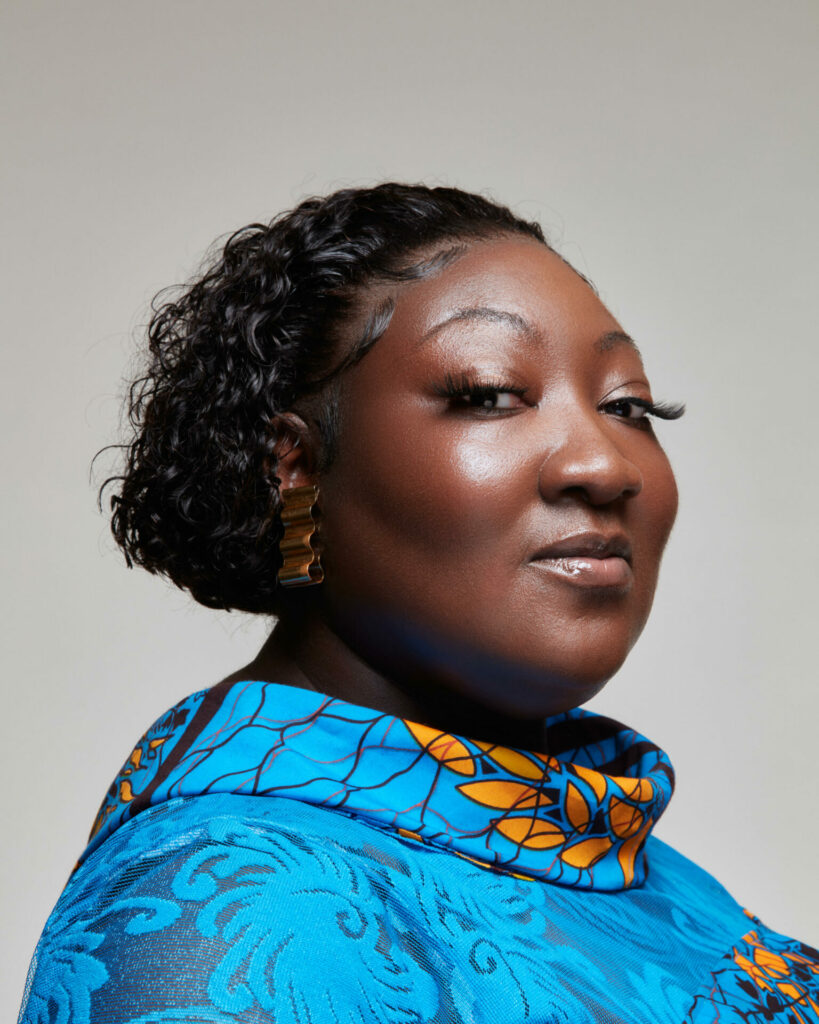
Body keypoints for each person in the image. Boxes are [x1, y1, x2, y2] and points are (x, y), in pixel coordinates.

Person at [18, 184, 819, 1024]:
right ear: (295, 463)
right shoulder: (228, 908)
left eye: (628, 407)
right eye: (489, 392)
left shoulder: (624, 861)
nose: (603, 463)